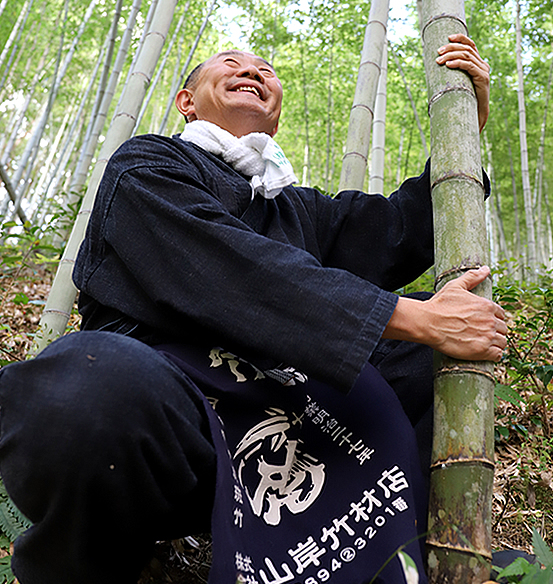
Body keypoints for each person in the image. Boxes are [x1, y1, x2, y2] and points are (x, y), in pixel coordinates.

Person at [0, 35, 506, 584]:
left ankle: (414, 557)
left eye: (266, 70)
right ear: (186, 102)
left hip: (295, 415)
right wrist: (408, 315)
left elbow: (400, 228)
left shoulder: (295, 207)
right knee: (87, 383)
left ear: (277, 119)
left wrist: (464, 135)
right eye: (232, 64)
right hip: (167, 423)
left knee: (425, 358)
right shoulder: (147, 162)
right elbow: (225, 267)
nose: (253, 72)